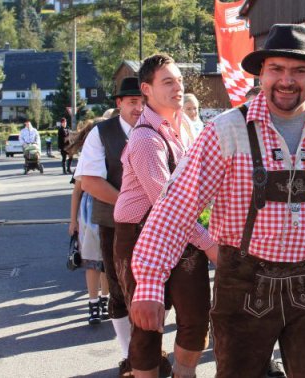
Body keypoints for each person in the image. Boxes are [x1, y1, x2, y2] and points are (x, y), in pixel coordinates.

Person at [129, 23, 305, 378]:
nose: (287, 80)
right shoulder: (227, 129)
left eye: (299, 70)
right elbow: (174, 208)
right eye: (277, 69)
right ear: (261, 73)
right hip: (243, 286)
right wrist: (149, 283)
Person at [114, 54, 206, 378]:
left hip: (183, 230)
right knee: (148, 324)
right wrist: (209, 243)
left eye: (180, 80)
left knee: (196, 316)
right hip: (140, 231)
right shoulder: (144, 137)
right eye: (168, 81)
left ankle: (184, 373)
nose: (178, 87)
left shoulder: (189, 127)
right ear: (147, 89)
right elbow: (166, 203)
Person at [73, 76, 147, 377]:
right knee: (119, 290)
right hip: (114, 225)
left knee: (154, 290)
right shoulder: (101, 133)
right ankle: (130, 355)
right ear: (119, 104)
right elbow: (89, 181)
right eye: (132, 103)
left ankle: (148, 351)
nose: (139, 108)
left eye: (143, 102)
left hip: (156, 225)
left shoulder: (159, 127)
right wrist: (129, 205)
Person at [67, 119, 110, 326]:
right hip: (89, 213)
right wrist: (73, 220)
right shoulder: (86, 158)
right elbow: (76, 192)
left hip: (109, 209)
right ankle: (93, 303)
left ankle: (105, 300)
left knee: (107, 263)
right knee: (92, 262)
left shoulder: (114, 153)